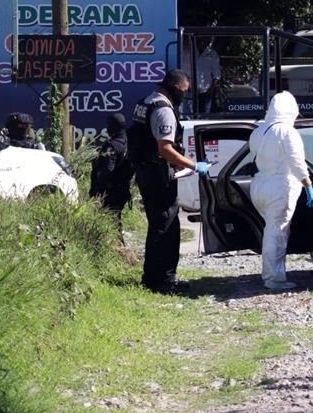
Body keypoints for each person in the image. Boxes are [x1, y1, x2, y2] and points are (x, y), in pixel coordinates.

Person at [127, 70, 210, 294]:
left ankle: (152, 278)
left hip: (145, 171)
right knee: (166, 228)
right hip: (157, 175)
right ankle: (163, 281)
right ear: (175, 87)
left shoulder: (147, 101)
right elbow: (165, 149)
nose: (185, 95)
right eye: (184, 91)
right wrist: (194, 165)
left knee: (159, 226)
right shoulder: (164, 110)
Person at [248, 91, 313, 291]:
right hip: (280, 186)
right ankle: (274, 279)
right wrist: (308, 185)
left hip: (259, 185)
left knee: (271, 231)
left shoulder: (258, 131)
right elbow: (296, 162)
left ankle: (270, 274)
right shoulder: (287, 131)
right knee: (276, 234)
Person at [88, 113, 133, 237]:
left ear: (112, 127)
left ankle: (118, 251)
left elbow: (107, 170)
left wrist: (97, 190)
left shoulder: (112, 146)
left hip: (111, 190)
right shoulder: (128, 144)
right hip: (123, 189)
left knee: (110, 224)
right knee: (114, 221)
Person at [195, 37, 222, 113]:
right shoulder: (190, 51)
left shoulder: (212, 55)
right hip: (190, 91)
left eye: (205, 41)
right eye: (200, 41)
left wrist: (211, 90)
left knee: (204, 116)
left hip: (206, 92)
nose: (202, 43)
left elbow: (216, 76)